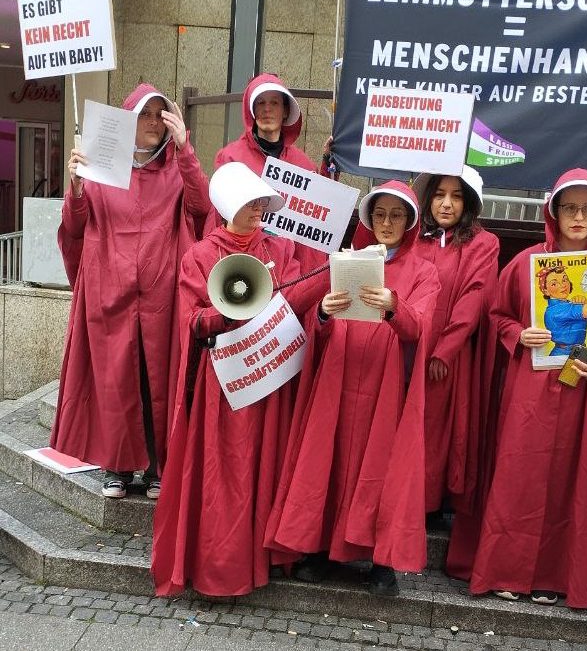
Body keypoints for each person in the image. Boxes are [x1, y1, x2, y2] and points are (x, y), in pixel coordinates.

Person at [447, 169, 587, 609]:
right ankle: (505, 568)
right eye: (570, 207)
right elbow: (497, 314)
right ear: (554, 211)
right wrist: (518, 335)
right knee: (520, 477)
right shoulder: (528, 262)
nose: (578, 216)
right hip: (530, 392)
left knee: (574, 481)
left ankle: (558, 575)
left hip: (586, 392)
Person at [151, 162, 328, 596]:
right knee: (222, 473)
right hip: (224, 383)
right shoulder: (200, 255)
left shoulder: (278, 249)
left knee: (260, 466)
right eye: (251, 203)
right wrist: (225, 314)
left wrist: (321, 297)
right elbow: (191, 321)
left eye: (261, 204)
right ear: (230, 205)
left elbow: (290, 303)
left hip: (266, 376)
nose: (258, 211)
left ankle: (259, 559)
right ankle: (220, 567)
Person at [265, 181, 440, 596]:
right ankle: (319, 548)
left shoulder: (424, 272)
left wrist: (394, 306)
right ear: (368, 219)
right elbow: (318, 334)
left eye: (396, 216)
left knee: (380, 470)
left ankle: (381, 561)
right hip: (338, 378)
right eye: (380, 214)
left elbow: (419, 327)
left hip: (385, 385)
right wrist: (323, 316)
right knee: (329, 460)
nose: (386, 223)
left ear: (410, 223)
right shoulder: (345, 261)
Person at [51, 84, 210, 500]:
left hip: (161, 294)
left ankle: (158, 466)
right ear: (127, 122)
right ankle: (117, 467)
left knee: (156, 379)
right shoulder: (102, 169)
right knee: (115, 379)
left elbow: (201, 209)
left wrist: (187, 152)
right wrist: (77, 187)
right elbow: (76, 226)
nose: (154, 123)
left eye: (160, 115)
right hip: (111, 292)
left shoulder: (177, 171)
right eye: (145, 115)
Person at [410, 167, 499, 518]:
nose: (446, 204)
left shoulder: (483, 243)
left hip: (446, 353)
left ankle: (426, 501)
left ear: (469, 203)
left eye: (457, 196)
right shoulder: (414, 236)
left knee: (435, 428)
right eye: (439, 194)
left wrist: (444, 349)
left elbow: (474, 297)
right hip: (406, 345)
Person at [212, 73, 333, 270]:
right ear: (251, 109)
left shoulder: (302, 163)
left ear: (286, 111)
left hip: (288, 269)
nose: (267, 109)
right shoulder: (230, 158)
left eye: (274, 103)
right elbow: (218, 220)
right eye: (260, 103)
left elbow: (316, 216)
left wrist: (328, 164)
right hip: (243, 265)